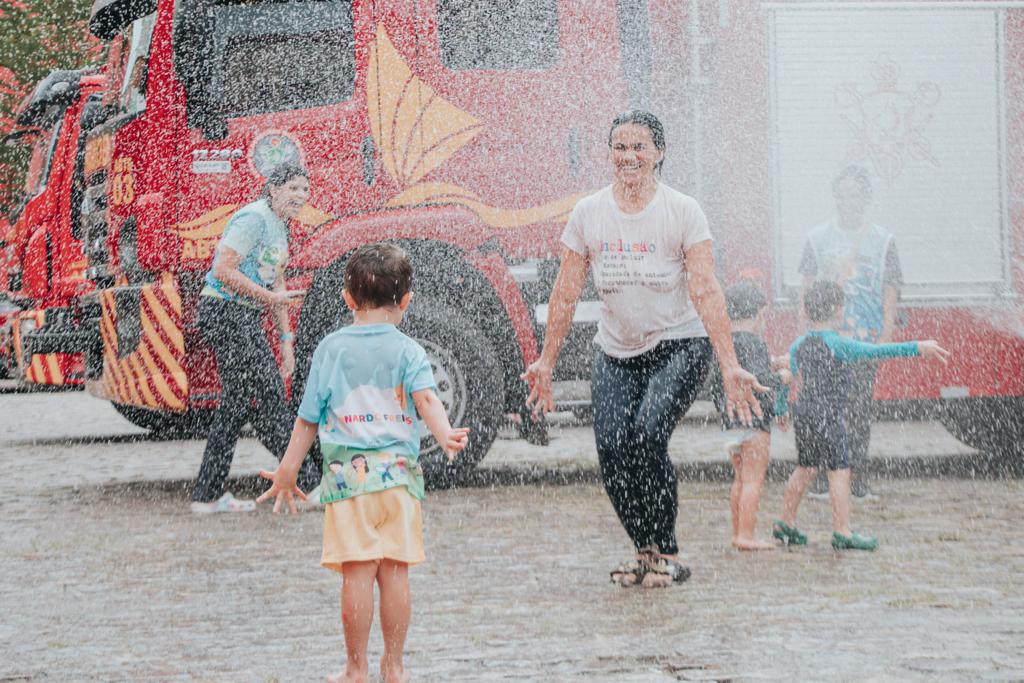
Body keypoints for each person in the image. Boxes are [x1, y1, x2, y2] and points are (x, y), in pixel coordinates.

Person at [521, 110, 765, 589]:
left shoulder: (682, 210)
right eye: (619, 147)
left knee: (648, 434)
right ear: (609, 153)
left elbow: (707, 289)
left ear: (659, 152)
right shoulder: (589, 212)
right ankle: (644, 549)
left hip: (680, 343)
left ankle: (667, 552)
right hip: (616, 351)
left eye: (638, 147)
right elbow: (565, 293)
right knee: (612, 447)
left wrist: (730, 362)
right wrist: (546, 361)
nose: (628, 157)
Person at [258, 243, 469, 683]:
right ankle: (393, 666)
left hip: (348, 482)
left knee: (357, 574)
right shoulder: (409, 350)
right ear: (406, 301)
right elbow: (427, 399)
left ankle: (355, 668)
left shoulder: (331, 350)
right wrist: (445, 432)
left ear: (347, 299)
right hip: (399, 482)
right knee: (395, 573)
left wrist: (288, 470)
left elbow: (308, 419)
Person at [772, 281, 948, 551]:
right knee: (839, 471)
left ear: (806, 312)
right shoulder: (840, 344)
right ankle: (842, 531)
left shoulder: (799, 344)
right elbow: (877, 352)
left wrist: (781, 409)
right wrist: (917, 347)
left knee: (805, 467)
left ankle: (785, 523)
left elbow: (787, 377)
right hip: (829, 415)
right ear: (839, 311)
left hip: (806, 412)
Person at [189, 163, 316, 513]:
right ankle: (310, 482)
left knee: (237, 406)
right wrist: (271, 300)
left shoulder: (280, 228)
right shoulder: (254, 218)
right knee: (270, 396)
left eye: (305, 190)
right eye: (293, 188)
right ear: (273, 189)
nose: (301, 196)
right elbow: (222, 270)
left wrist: (286, 341)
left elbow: (277, 284)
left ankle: (207, 495)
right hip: (224, 312)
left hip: (243, 315)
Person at [798, 165, 903, 499]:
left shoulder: (883, 241)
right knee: (822, 412)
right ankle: (821, 479)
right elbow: (807, 290)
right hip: (826, 341)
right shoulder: (817, 239)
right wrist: (805, 335)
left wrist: (886, 334)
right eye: (841, 194)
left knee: (857, 413)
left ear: (866, 197)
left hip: (863, 342)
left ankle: (856, 479)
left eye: (854, 193)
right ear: (834, 197)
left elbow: (890, 291)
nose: (847, 200)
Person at [708, 281, 792, 551]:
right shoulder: (754, 341)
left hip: (730, 422)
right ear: (758, 314)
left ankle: (737, 532)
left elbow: (721, 381)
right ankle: (747, 535)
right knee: (754, 479)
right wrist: (782, 376)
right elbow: (761, 382)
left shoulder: (724, 344)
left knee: (740, 479)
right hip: (755, 422)